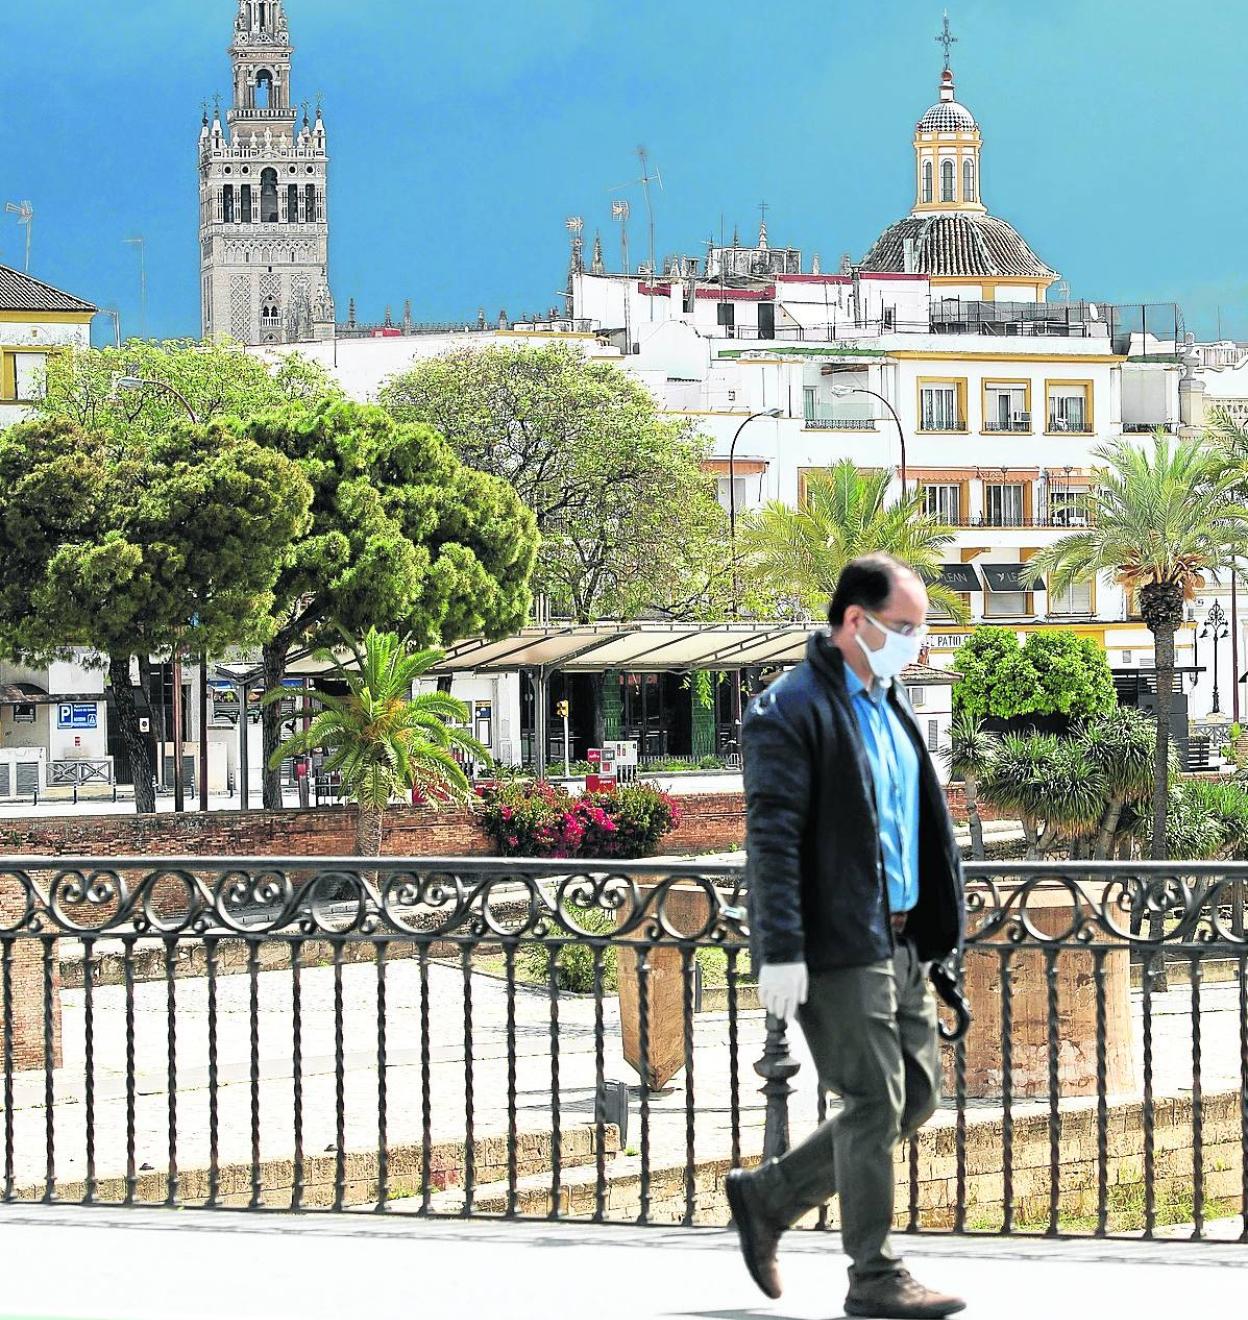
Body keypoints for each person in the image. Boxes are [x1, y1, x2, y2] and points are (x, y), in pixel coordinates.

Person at [725, 553, 966, 1320]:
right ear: (855, 622)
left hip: (901, 939)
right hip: (838, 941)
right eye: (905, 627)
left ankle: (768, 1197)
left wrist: (935, 935)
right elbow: (772, 840)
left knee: (915, 1096)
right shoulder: (790, 709)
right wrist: (782, 951)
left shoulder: (889, 707)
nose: (917, 643)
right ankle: (875, 1274)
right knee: (870, 1100)